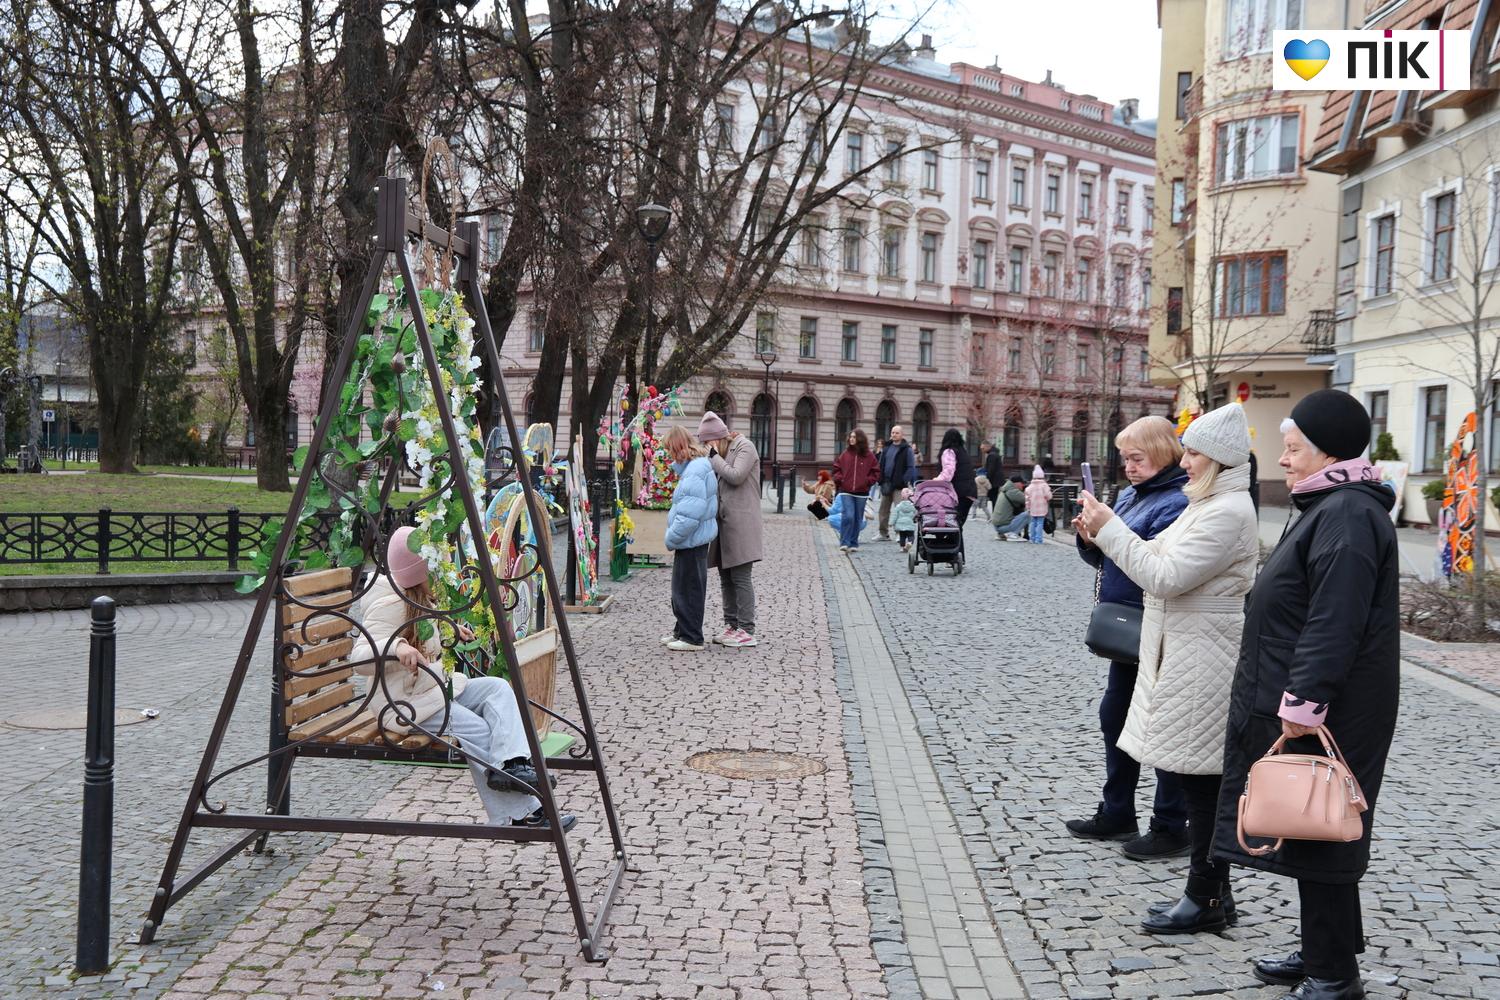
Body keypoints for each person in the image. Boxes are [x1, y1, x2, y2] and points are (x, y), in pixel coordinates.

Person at [1214, 391, 1399, 1000]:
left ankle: (1333, 976)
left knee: (1321, 826)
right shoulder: (1331, 505)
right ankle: (1327, 949)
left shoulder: (1345, 512)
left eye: (1292, 449)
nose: (1283, 460)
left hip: (1330, 707)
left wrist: (1304, 701)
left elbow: (1334, 617)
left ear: (1326, 451)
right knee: (1316, 824)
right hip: (1319, 699)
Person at [1076, 402, 1258, 936]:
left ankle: (1204, 895)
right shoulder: (1208, 503)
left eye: (1195, 452)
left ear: (1219, 458)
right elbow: (1150, 558)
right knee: (1195, 777)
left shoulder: (1226, 511)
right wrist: (1102, 535)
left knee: (1201, 782)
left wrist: (1110, 529)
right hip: (1183, 648)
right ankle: (1211, 895)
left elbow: (1164, 574)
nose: (1186, 461)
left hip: (1203, 652)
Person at [360, 527, 567, 830]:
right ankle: (520, 814)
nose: (441, 575)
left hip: (430, 691)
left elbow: (423, 633)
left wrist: (449, 629)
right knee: (477, 728)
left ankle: (512, 765)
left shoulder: (417, 597)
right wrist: (396, 647)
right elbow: (361, 657)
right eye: (435, 568)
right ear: (418, 571)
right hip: (404, 705)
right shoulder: (389, 605)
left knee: (497, 689)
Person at [1066, 416, 1191, 860]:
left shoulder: (1176, 502)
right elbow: (1110, 560)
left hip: (1159, 628)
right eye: (1125, 458)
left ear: (1161, 452)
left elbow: (1153, 564)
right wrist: (1090, 538)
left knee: (1160, 728)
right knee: (1115, 718)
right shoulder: (1130, 495)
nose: (1129, 467)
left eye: (1137, 458)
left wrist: (1112, 534)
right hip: (1127, 626)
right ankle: (1117, 810)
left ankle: (1171, 822)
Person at [699, 411, 763, 649]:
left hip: (742, 522)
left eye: (708, 443)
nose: (707, 447)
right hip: (723, 523)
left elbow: (736, 476)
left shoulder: (745, 447)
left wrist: (714, 457)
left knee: (741, 576)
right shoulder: (723, 452)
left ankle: (747, 629)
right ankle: (732, 624)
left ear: (718, 438)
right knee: (726, 577)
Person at [662, 425, 718, 651]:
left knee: (688, 588)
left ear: (678, 448)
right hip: (693, 538)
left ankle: (691, 636)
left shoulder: (695, 470)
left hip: (691, 539)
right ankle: (682, 630)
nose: (668, 455)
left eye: (670, 450)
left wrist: (672, 537)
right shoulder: (696, 467)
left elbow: (690, 512)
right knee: (683, 587)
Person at [832, 429, 880, 553]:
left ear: (860, 439)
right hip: (846, 490)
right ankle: (844, 542)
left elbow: (876, 472)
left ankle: (853, 543)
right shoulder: (845, 454)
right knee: (848, 515)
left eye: (854, 437)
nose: (851, 439)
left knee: (857, 518)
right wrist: (840, 479)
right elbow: (836, 469)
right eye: (850, 437)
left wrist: (867, 482)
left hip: (862, 493)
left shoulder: (869, 456)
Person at [876, 426, 918, 540]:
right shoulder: (887, 447)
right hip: (886, 483)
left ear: (902, 435)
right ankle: (883, 533)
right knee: (883, 510)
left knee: (899, 510)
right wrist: (880, 478)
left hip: (899, 486)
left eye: (897, 433)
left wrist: (904, 480)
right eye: (893, 432)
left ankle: (900, 534)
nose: (894, 435)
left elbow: (910, 467)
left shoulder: (907, 449)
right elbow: (881, 464)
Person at [934, 428, 978, 527]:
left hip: (959, 493)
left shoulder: (949, 452)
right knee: (957, 525)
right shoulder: (963, 451)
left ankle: (950, 542)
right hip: (970, 492)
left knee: (954, 526)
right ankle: (954, 542)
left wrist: (936, 480)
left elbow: (948, 472)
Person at [991, 474, 1027, 540]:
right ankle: (1013, 534)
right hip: (1004, 527)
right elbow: (1028, 500)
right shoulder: (1013, 492)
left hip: (997, 526)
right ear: (1017, 483)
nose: (1023, 485)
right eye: (1022, 483)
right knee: (1028, 514)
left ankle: (1001, 534)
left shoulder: (1004, 490)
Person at [1024, 466, 1052, 544]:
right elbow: (1049, 496)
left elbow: (1027, 499)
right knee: (1040, 523)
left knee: (1032, 523)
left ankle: (1032, 538)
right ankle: (1038, 539)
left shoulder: (1029, 487)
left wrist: (1028, 507)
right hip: (1042, 508)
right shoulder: (1044, 486)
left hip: (1032, 508)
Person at [980, 441, 1003, 509]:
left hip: (993, 481)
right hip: (997, 480)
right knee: (994, 498)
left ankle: (994, 515)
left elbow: (991, 469)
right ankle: (995, 514)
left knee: (993, 498)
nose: (982, 450)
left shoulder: (991, 455)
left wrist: (987, 480)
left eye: (983, 448)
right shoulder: (995, 454)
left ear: (988, 446)